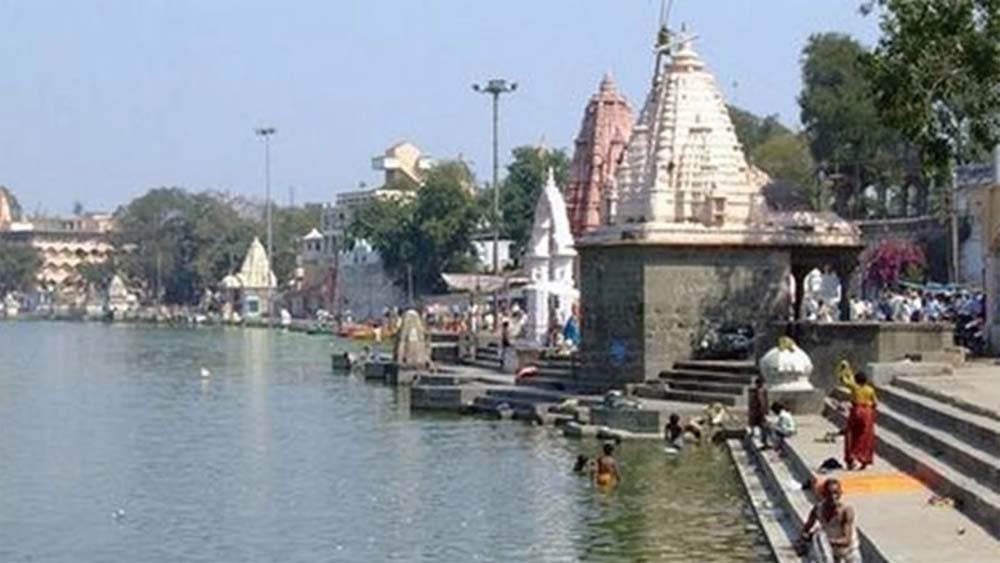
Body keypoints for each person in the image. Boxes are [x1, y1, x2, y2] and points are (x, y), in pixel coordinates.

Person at [798, 479, 861, 563]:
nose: (833, 497)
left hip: (849, 552)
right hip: (831, 552)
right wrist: (806, 537)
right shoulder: (818, 509)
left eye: (835, 493)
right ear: (823, 494)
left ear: (840, 494)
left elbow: (846, 540)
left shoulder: (846, 511)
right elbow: (806, 528)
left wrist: (825, 541)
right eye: (829, 493)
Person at [839, 361, 877, 470]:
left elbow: (844, 380)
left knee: (851, 434)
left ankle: (851, 458)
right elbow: (875, 403)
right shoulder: (870, 390)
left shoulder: (855, 387)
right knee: (866, 436)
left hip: (856, 410)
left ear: (856, 380)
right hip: (867, 411)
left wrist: (843, 370)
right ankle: (864, 459)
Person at [748, 377, 769, 445]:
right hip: (757, 410)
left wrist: (766, 410)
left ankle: (763, 439)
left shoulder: (762, 391)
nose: (761, 384)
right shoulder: (755, 391)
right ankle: (758, 436)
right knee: (757, 424)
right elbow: (754, 401)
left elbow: (765, 401)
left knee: (761, 425)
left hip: (759, 410)